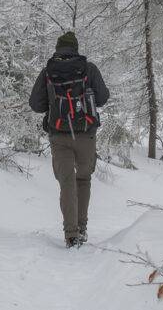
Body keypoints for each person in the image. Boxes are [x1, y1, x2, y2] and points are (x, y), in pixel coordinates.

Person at [29, 31, 110, 248]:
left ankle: (71, 234)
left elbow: (35, 104)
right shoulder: (89, 69)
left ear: (57, 48)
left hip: (59, 135)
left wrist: (55, 105)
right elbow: (102, 98)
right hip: (86, 134)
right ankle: (82, 228)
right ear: (76, 47)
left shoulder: (48, 71)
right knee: (83, 179)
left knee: (67, 183)